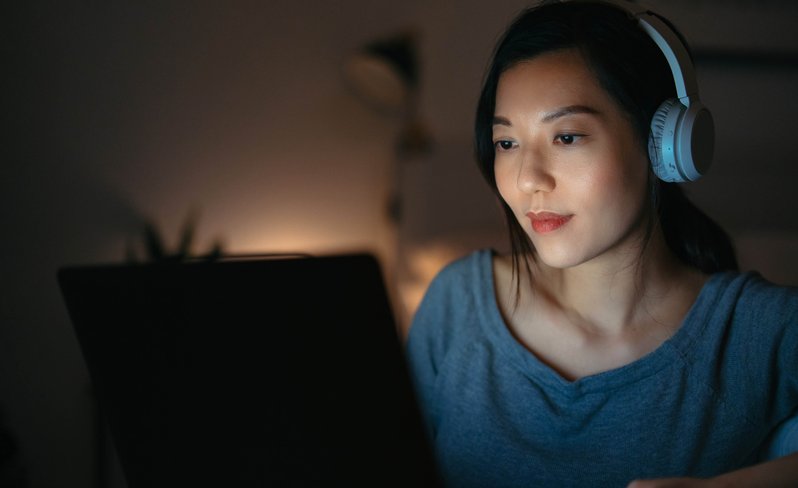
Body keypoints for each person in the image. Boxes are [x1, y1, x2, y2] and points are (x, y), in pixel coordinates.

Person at [405, 1, 798, 486]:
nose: (529, 179)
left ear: (664, 145)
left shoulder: (761, 331)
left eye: (567, 137)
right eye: (507, 143)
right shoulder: (455, 306)